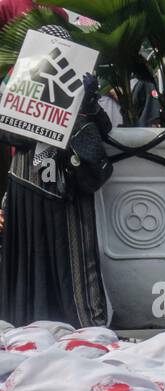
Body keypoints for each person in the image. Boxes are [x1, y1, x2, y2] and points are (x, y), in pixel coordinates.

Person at [0, 27, 113, 328]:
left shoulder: (80, 84)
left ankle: (83, 325)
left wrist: (87, 102)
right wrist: (37, 123)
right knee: (29, 260)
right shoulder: (17, 81)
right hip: (27, 183)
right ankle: (28, 324)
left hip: (66, 185)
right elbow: (6, 131)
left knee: (74, 257)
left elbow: (105, 129)